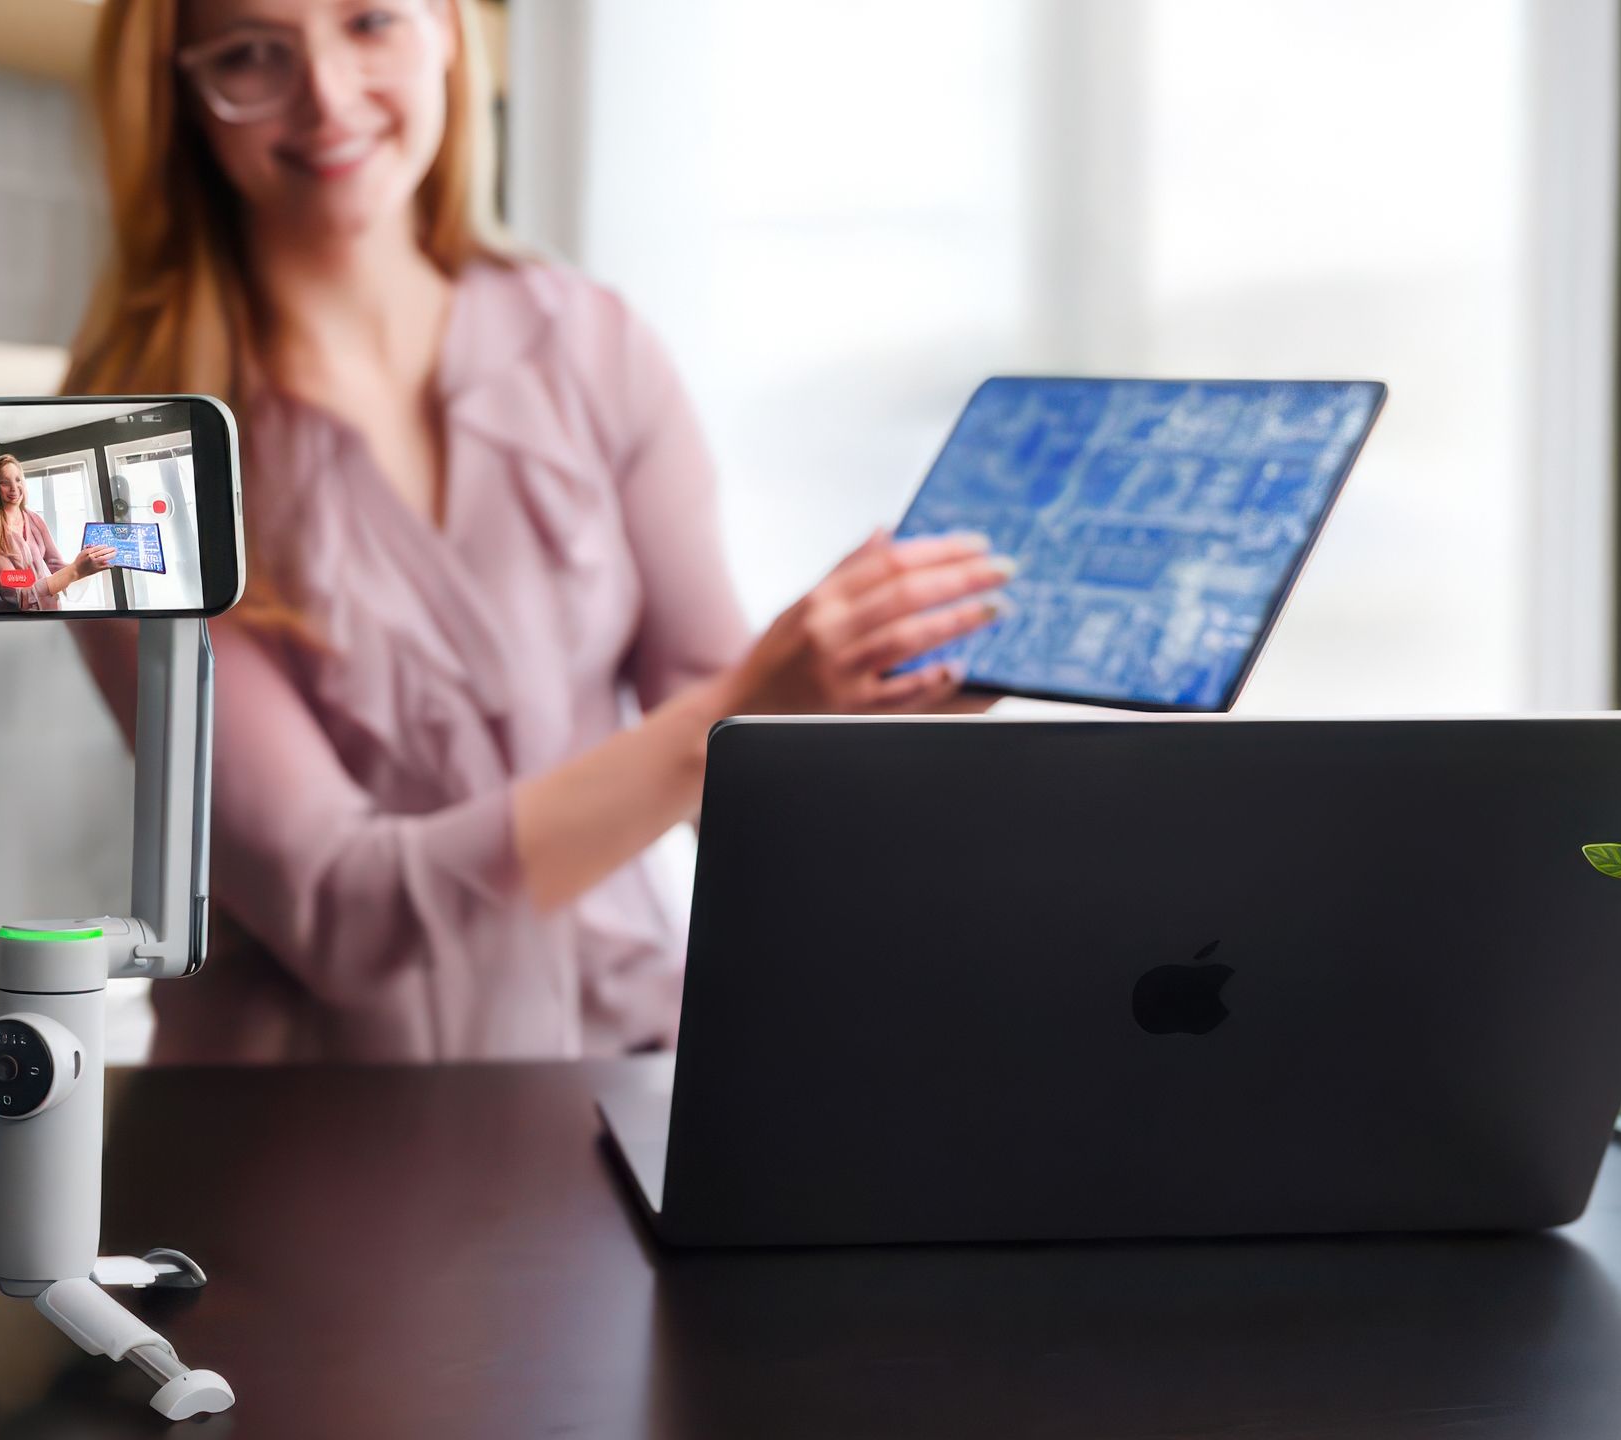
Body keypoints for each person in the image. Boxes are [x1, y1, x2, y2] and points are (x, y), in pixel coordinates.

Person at [67, 0, 1008, 1062]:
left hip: (632, 1079)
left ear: (450, 33)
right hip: (309, 1139)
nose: (327, 95)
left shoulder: (593, 347)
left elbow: (723, 752)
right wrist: (732, 714)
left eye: (371, 22)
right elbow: (338, 908)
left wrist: (854, 700)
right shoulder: (117, 460)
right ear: (180, 93)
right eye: (249, 53)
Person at [0, 455, 115, 612]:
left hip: (50, 608)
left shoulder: (34, 519)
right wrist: (75, 570)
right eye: (4, 482)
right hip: (16, 618)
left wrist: (89, 561)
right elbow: (17, 593)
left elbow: (56, 565)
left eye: (18, 480)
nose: (14, 488)